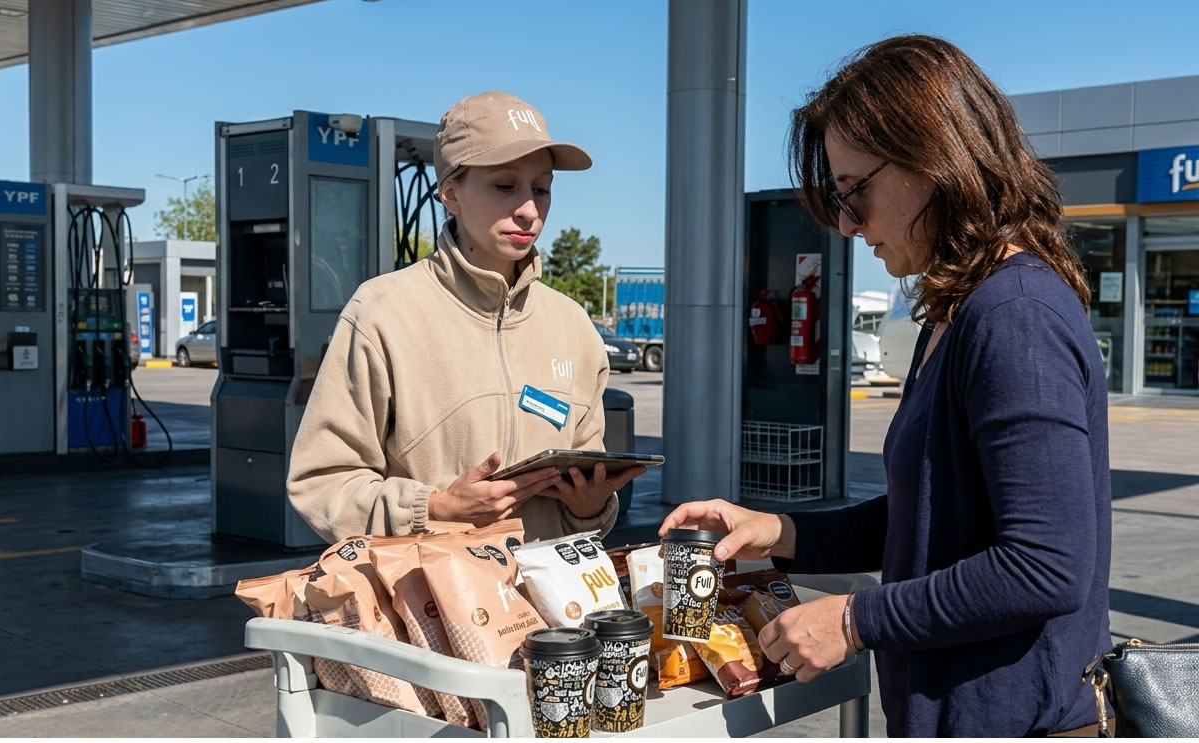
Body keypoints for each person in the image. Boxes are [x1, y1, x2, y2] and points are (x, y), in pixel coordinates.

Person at [661, 35, 1112, 737]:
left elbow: (1046, 564)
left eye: (855, 191)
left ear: (933, 158)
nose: (847, 223)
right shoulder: (958, 312)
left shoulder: (1014, 315)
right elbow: (926, 516)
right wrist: (777, 531)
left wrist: (854, 619)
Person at [288, 91, 644, 543]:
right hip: (426, 587)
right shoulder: (382, 312)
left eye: (541, 189)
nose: (529, 210)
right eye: (505, 186)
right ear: (451, 193)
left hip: (544, 589)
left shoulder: (572, 326)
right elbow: (321, 484)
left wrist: (589, 506)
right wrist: (434, 509)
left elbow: (585, 507)